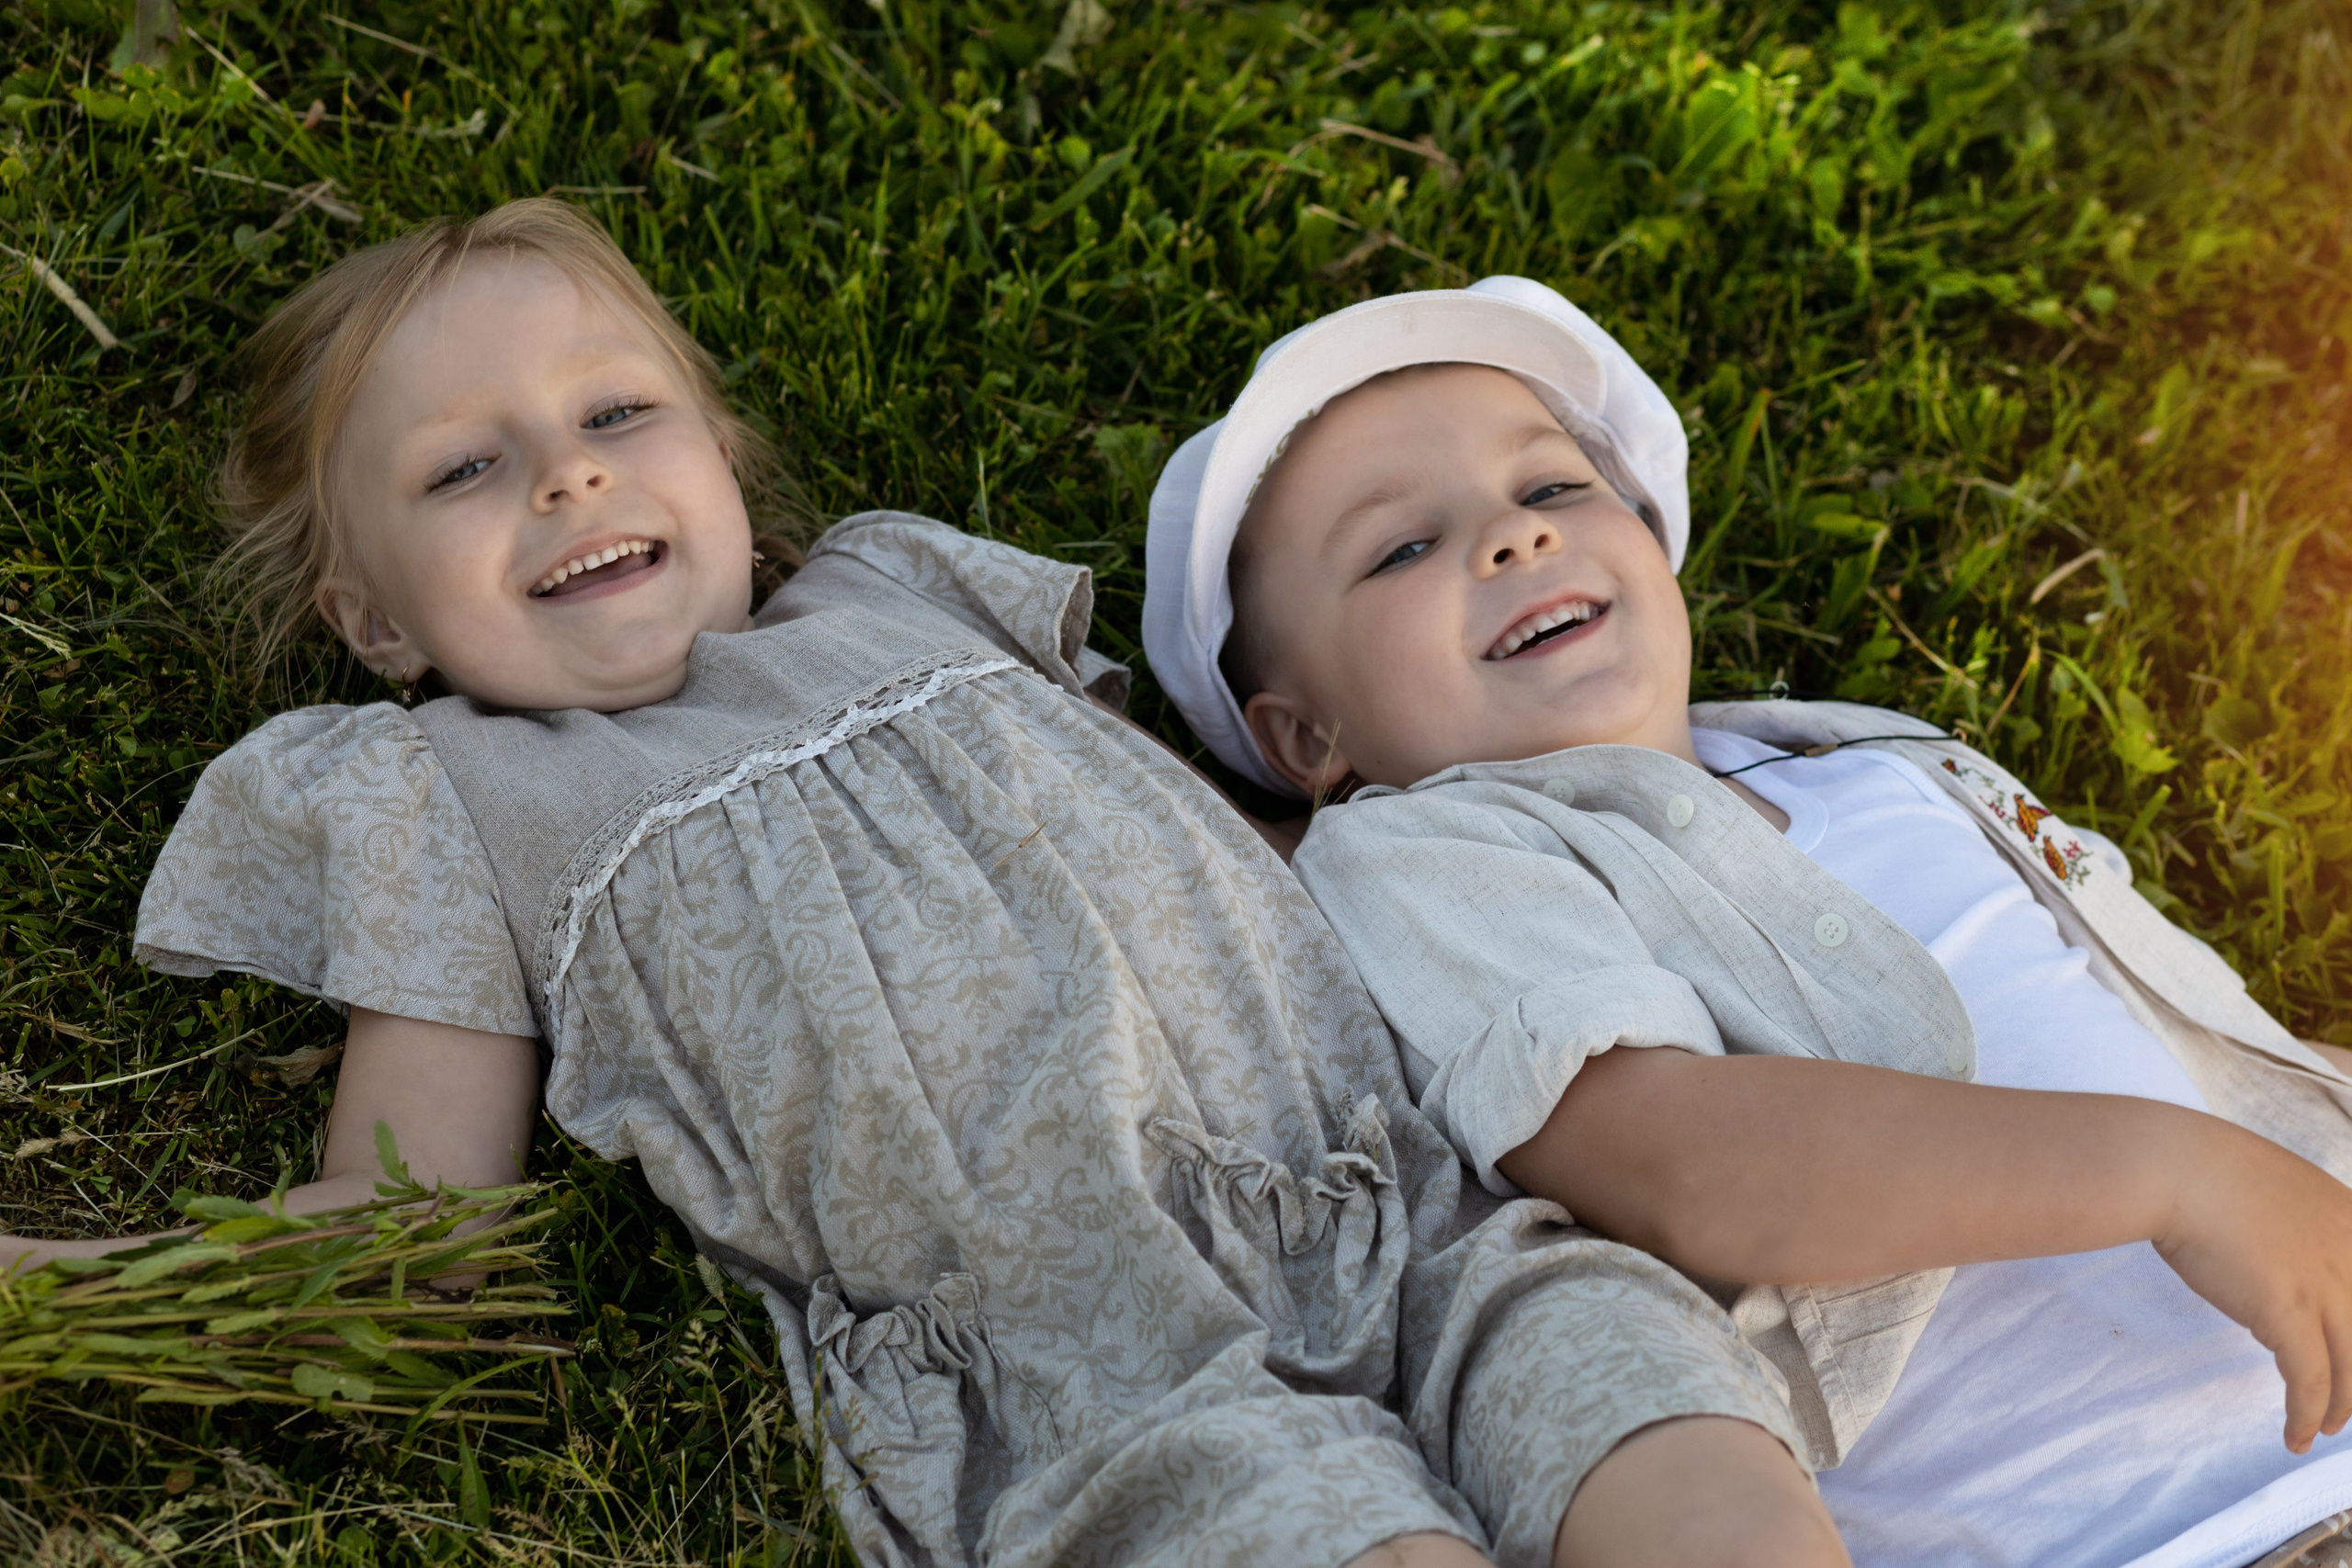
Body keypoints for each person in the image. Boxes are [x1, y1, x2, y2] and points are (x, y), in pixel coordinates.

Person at [2, 202, 1856, 1568]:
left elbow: (1214, 828)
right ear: (373, 618)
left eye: (617, 416)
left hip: (1400, 1186)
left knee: (1672, 1431)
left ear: (723, 462)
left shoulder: (906, 586)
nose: (568, 479)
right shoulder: (440, 793)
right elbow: (399, 1234)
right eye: (469, 467)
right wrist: (62, 1299)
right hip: (1079, 1355)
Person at [1140, 276, 2352, 1568]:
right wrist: (2171, 1176)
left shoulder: (1874, 760)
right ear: (1306, 736)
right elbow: (1689, 1168)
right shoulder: (1433, 854)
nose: (1512, 540)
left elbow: (2171, 1025)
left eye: (1552, 488)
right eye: (1400, 548)